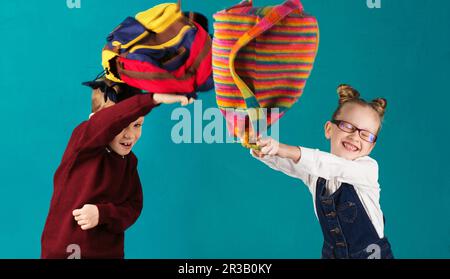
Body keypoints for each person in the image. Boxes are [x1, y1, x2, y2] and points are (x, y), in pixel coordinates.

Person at [41, 77, 193, 258]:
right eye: (121, 126)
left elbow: (133, 207)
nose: (130, 135)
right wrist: (153, 99)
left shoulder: (128, 162)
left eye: (137, 125)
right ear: (95, 120)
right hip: (65, 252)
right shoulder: (83, 143)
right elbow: (110, 119)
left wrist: (103, 213)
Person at [252, 84, 394, 259]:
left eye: (366, 135)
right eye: (348, 126)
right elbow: (292, 163)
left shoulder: (368, 170)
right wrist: (263, 149)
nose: (355, 136)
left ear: (371, 146)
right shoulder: (317, 174)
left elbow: (329, 165)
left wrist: (281, 147)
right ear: (329, 129)